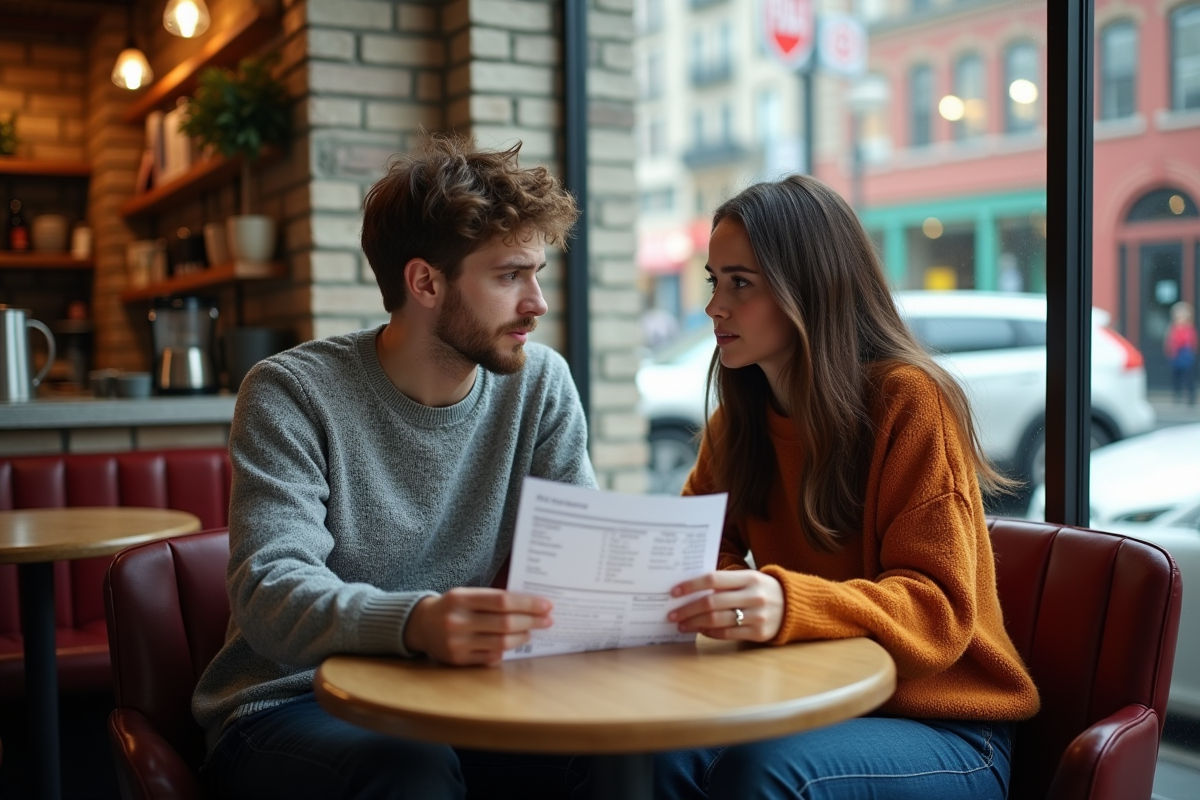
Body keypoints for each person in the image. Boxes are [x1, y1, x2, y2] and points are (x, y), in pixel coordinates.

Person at [193, 134, 596, 800]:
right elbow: (269, 591)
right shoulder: (290, 391)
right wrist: (416, 623)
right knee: (410, 771)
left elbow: (579, 557)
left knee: (613, 760)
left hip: (456, 698)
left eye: (538, 273)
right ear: (426, 282)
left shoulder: (540, 382)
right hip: (292, 702)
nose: (538, 303)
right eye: (508, 276)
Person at [655, 175, 1040, 800]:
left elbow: (936, 613)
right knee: (656, 755)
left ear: (809, 287)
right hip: (811, 700)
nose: (713, 307)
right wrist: (715, 587)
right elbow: (695, 549)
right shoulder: (739, 420)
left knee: (762, 775)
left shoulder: (907, 403)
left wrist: (783, 602)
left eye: (740, 283)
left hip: (949, 723)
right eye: (713, 280)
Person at [1165, 300, 1197, 405]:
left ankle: (1191, 397)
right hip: (1176, 355)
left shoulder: (1189, 329)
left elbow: (1193, 342)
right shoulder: (1173, 328)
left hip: (1186, 355)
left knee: (1188, 377)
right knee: (1176, 376)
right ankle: (1177, 395)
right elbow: (1169, 341)